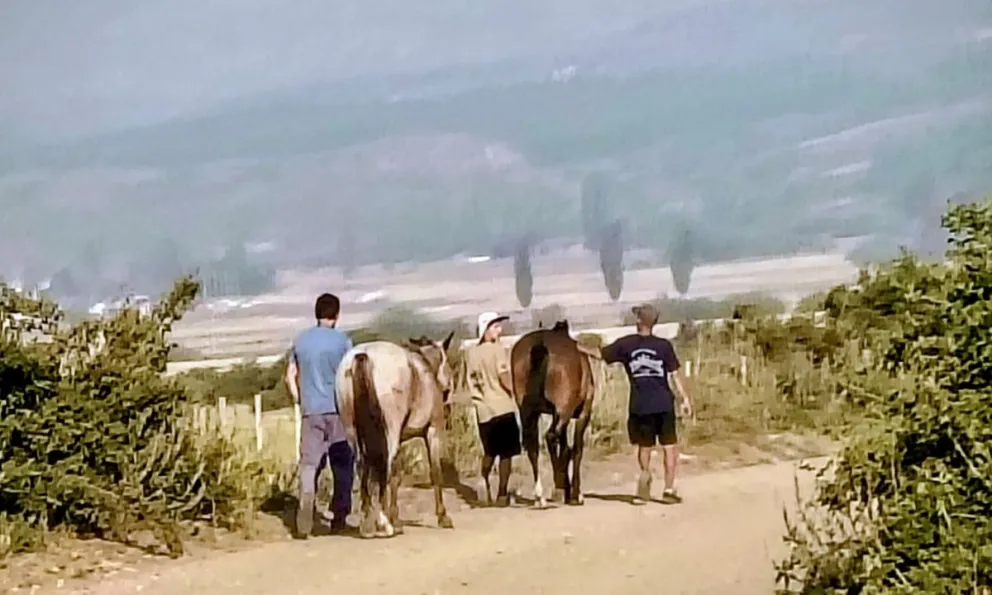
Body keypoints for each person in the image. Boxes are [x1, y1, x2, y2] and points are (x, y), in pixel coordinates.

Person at [600, 303, 693, 505]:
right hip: (664, 403)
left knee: (644, 446)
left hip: (640, 405)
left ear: (639, 321)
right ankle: (669, 489)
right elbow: (675, 374)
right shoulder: (664, 346)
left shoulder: (626, 344)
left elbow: (600, 354)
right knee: (669, 446)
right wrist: (685, 399)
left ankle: (644, 477)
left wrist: (575, 346)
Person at [284, 292, 355, 538]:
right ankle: (340, 515)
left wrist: (299, 400)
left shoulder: (301, 341)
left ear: (316, 314)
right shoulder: (343, 342)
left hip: (310, 411)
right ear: (336, 315)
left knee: (309, 463)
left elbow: (290, 376)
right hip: (338, 411)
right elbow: (351, 378)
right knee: (343, 464)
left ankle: (306, 504)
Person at [460, 311, 522, 507]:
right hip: (502, 407)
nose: (499, 330)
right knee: (506, 454)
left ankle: (483, 479)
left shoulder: (470, 354)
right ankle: (502, 494)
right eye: (495, 326)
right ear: (485, 330)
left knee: (489, 451)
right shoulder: (497, 350)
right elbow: (504, 376)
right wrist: (515, 392)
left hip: (482, 410)